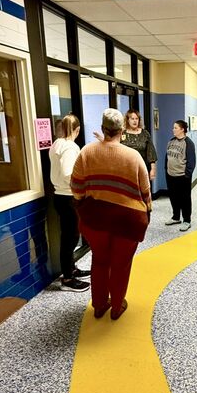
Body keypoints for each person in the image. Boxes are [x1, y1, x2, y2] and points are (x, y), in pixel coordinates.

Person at [70, 109, 152, 320]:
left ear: (103, 128)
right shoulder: (132, 156)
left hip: (95, 219)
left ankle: (98, 305)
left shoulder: (87, 152)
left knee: (99, 260)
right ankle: (116, 306)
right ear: (122, 129)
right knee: (121, 264)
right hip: (127, 220)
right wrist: (147, 210)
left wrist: (82, 205)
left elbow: (76, 187)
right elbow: (145, 190)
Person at [49, 114, 88, 291]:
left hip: (60, 196)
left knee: (69, 235)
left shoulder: (56, 144)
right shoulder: (70, 147)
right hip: (68, 196)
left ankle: (71, 268)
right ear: (77, 130)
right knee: (70, 237)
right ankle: (67, 278)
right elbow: (68, 173)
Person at [163, 119, 196, 229]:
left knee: (185, 198)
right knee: (173, 197)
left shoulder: (188, 143)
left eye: (175, 128)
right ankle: (176, 217)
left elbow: (191, 161)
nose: (173, 129)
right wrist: (166, 169)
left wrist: (187, 175)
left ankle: (187, 220)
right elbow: (167, 157)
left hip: (182, 176)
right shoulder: (171, 141)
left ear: (182, 129)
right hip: (170, 175)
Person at [121, 109, 156, 194]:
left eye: (136, 118)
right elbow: (115, 148)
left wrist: (153, 169)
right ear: (127, 120)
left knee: (143, 192)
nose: (134, 121)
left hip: (142, 168)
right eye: (132, 118)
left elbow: (151, 152)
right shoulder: (122, 133)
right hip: (126, 169)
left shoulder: (145, 134)